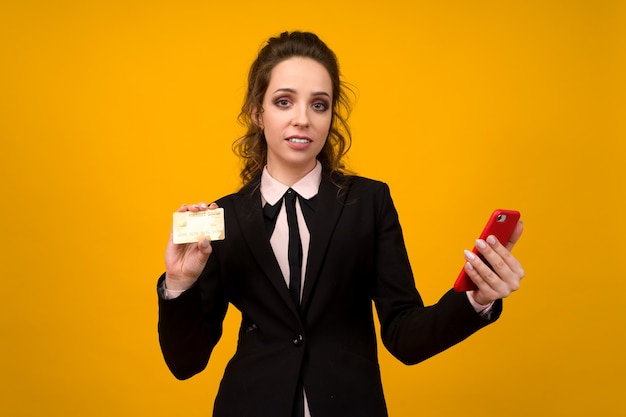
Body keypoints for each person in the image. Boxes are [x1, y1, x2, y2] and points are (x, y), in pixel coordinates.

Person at [157, 31, 525, 417]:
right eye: (284, 102)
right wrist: (178, 285)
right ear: (257, 112)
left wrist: (476, 298)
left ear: (331, 115)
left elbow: (405, 336)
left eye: (319, 104)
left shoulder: (369, 202)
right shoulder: (219, 217)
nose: (302, 119)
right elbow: (186, 363)